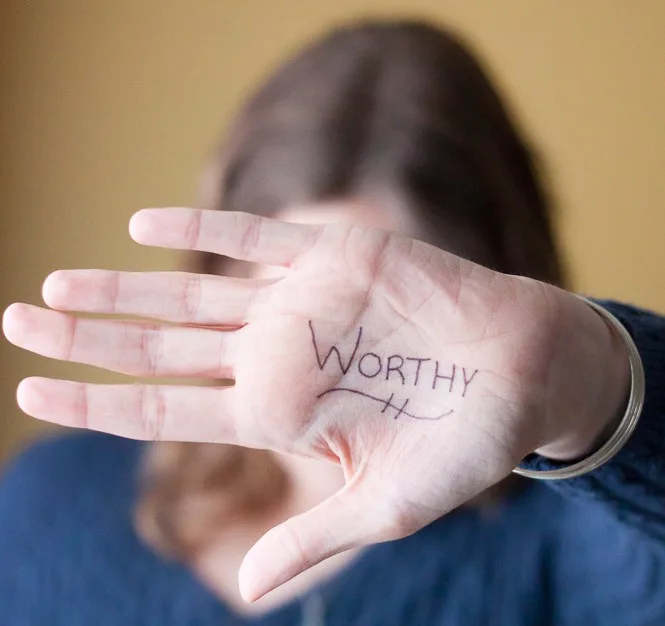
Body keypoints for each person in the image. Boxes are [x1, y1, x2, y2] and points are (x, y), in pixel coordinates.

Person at [2, 19, 665, 626]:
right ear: (221, 278)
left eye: (384, 321)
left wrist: (579, 374)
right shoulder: (49, 509)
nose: (330, 360)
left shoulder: (569, 553)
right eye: (296, 300)